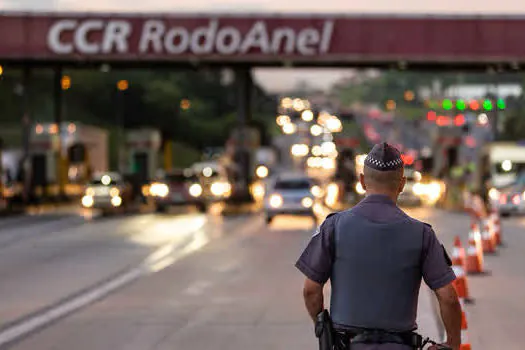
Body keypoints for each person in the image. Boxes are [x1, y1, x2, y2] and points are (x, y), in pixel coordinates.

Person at [295, 142, 462, 350]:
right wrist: (453, 344)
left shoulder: (334, 227)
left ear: (363, 181)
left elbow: (311, 290)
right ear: (401, 184)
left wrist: (323, 330)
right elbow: (448, 298)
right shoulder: (422, 234)